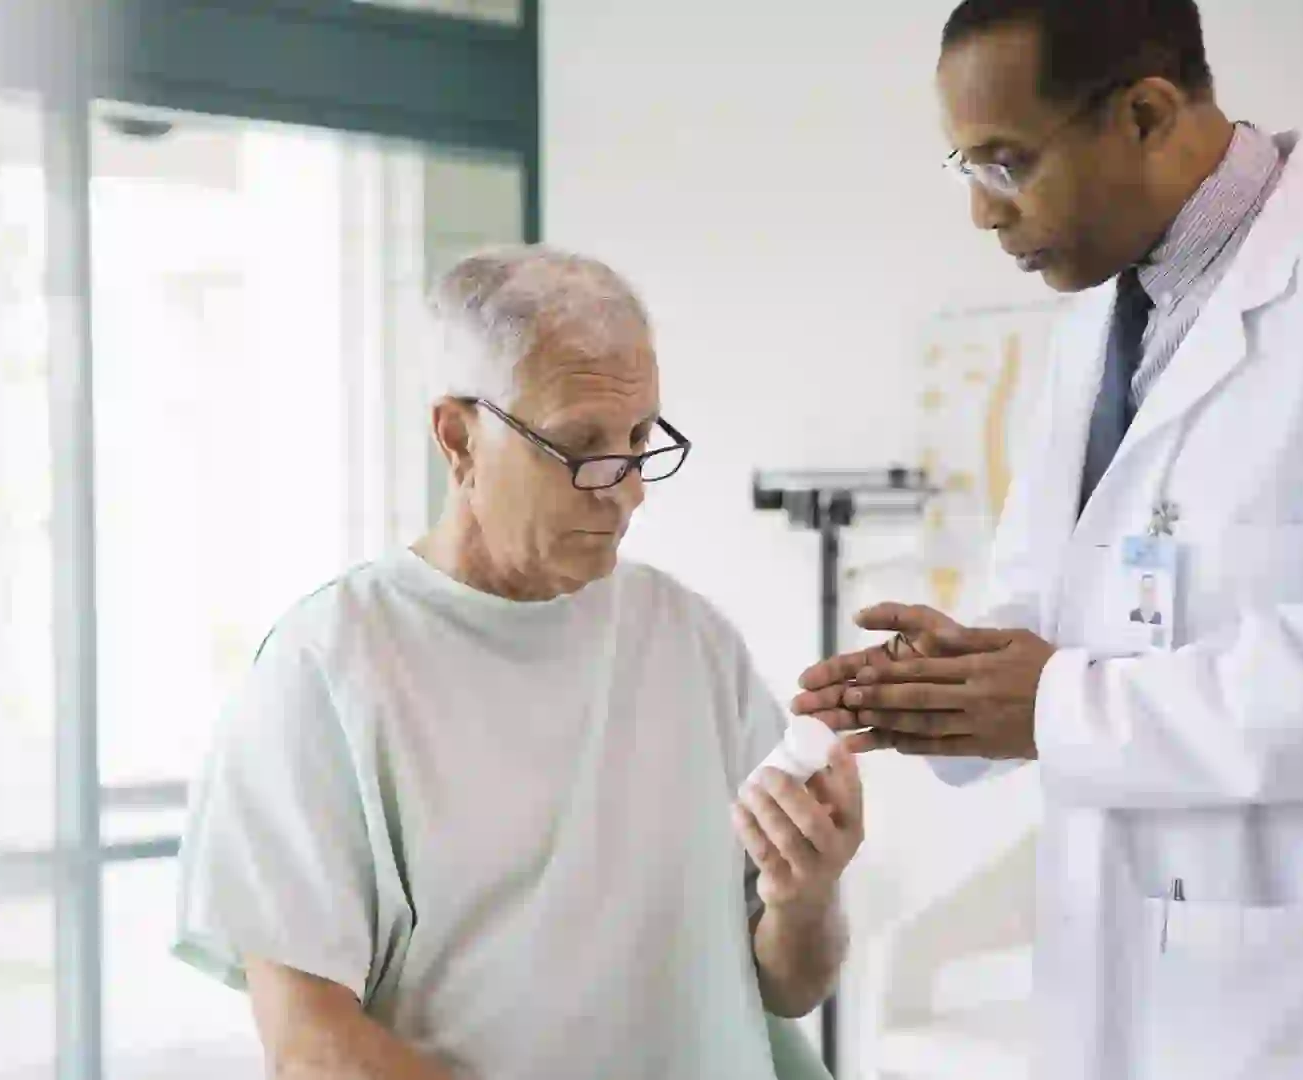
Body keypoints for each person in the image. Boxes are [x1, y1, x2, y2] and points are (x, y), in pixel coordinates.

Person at [793, 1, 1303, 1078]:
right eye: (965, 164)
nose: (980, 213)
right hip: (1126, 978)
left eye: (1006, 164)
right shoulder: (1098, 320)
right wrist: (954, 687)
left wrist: (1054, 704)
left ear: (1145, 113)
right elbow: (1057, 610)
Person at [175, 246, 858, 1080]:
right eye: (581, 445)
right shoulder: (327, 670)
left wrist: (807, 893)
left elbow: (790, 988)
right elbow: (313, 1048)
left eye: (640, 439)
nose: (626, 489)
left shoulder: (688, 639)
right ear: (459, 437)